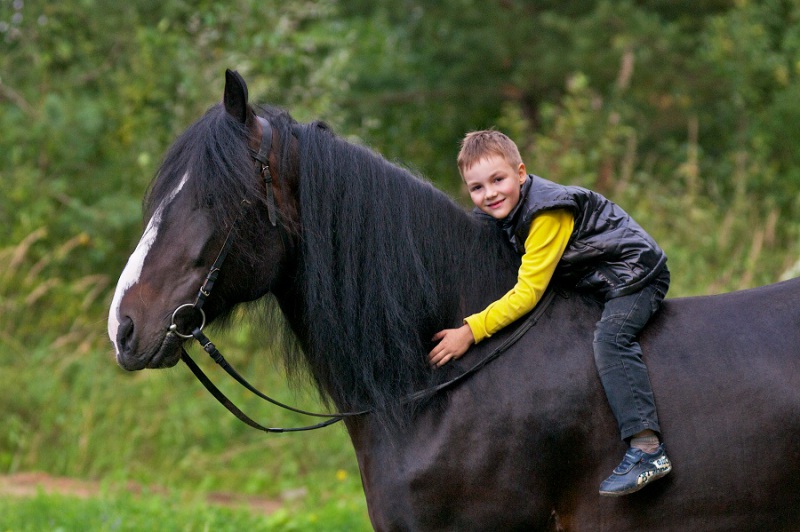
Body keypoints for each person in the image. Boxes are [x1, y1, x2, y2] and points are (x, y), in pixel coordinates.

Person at [428, 130, 672, 497]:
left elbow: (527, 293)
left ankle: (647, 449)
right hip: (591, 277)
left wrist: (472, 329)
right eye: (477, 188)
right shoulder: (508, 209)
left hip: (633, 276)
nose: (490, 194)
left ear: (521, 173)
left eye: (498, 180)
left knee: (612, 340)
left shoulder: (547, 212)